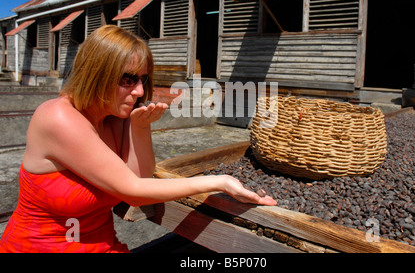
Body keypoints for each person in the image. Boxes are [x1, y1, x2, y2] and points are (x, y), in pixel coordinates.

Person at [0, 25, 276, 253]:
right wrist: (220, 182)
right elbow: (131, 190)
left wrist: (140, 129)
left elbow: (140, 180)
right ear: (96, 73)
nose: (140, 90)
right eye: (128, 79)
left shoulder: (113, 115)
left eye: (143, 79)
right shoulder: (58, 117)